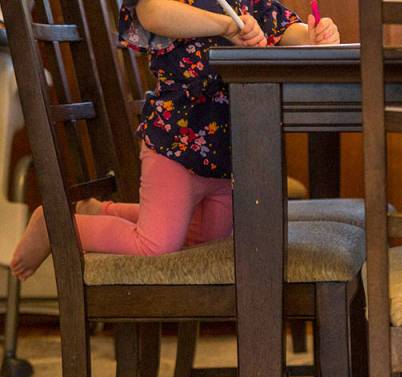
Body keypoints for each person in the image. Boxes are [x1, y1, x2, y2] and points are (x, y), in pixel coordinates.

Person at [9, 0, 340, 280]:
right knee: (156, 245)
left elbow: (286, 29)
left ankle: (98, 211)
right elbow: (152, 12)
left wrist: (315, 35)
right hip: (175, 144)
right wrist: (225, 26)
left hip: (230, 153)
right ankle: (56, 226)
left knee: (205, 243)